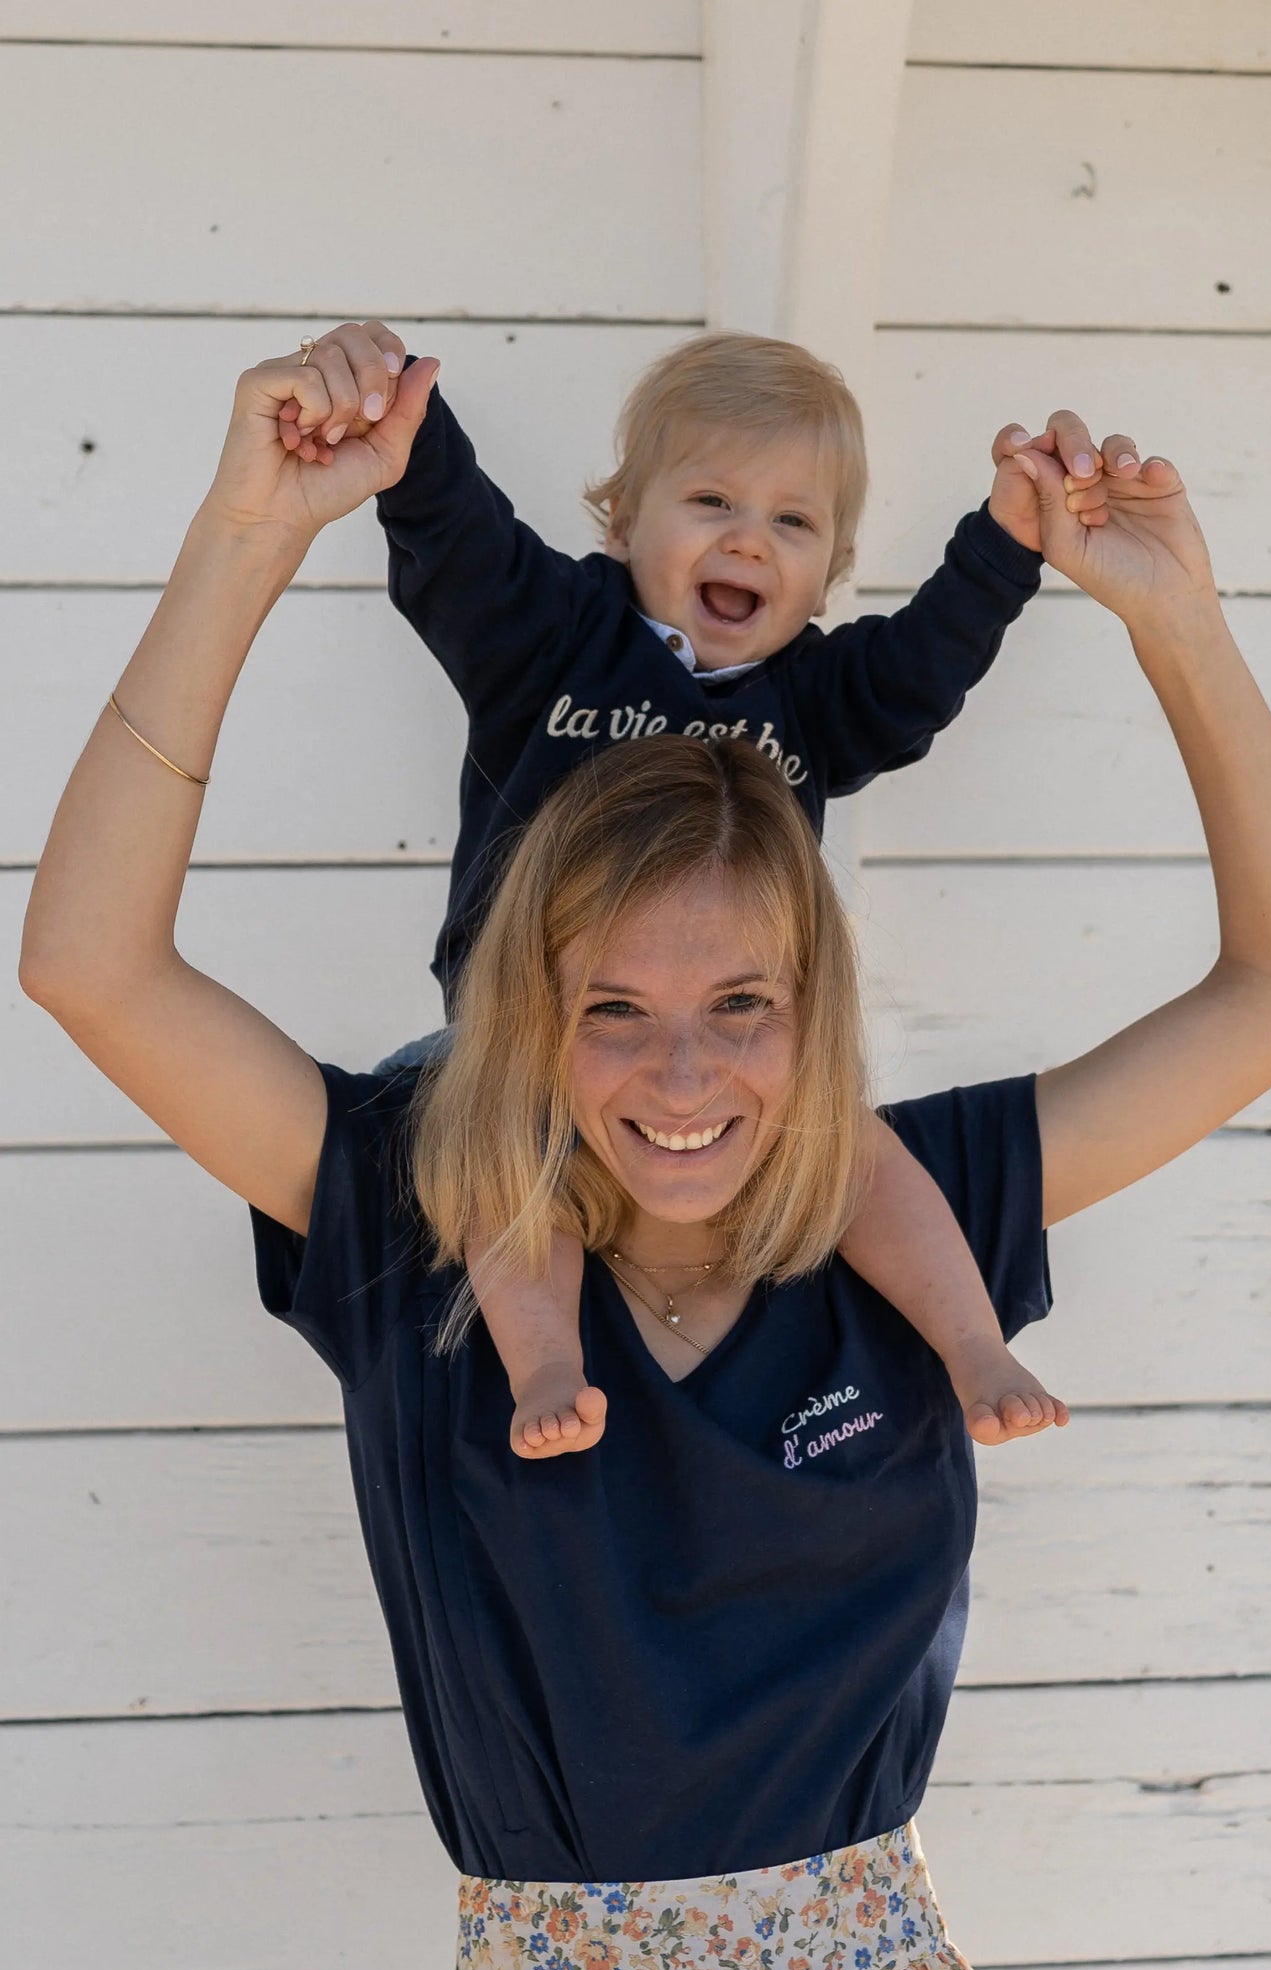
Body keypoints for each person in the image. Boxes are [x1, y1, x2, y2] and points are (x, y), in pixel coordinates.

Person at [20, 346, 1271, 1970]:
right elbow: (92, 966)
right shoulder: (415, 1211)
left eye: (743, 1002)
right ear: (526, 1012)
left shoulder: (914, 1214)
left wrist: (1180, 625)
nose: (683, 1073)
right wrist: (248, 531)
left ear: (813, 1014)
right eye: (612, 1007)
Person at [275, 320, 1080, 1460]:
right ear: (622, 519)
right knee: (496, 1164)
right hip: (522, 1038)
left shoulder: (812, 701)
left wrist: (1005, 543)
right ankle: (547, 1358)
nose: (750, 543)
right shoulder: (555, 639)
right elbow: (462, 547)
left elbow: (920, 667)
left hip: (712, 1052)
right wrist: (400, 415)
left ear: (830, 569)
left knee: (849, 1146)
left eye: (791, 523)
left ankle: (973, 1347)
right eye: (712, 503)